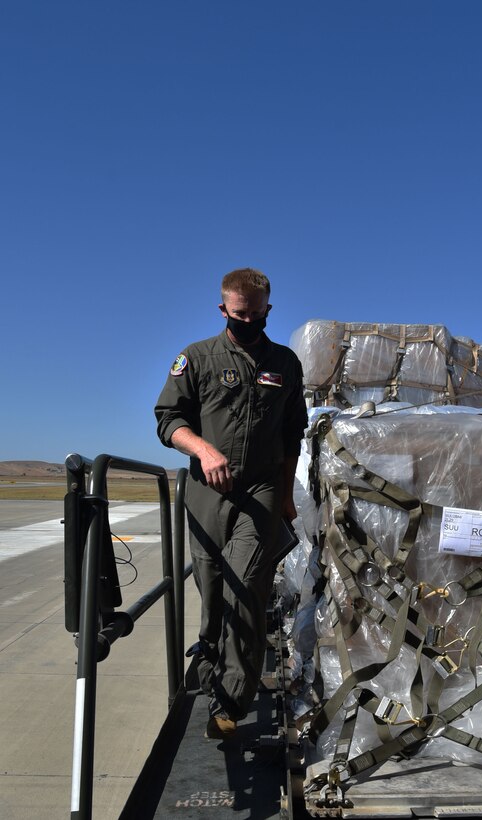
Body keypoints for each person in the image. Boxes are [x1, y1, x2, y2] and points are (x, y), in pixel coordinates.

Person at [155, 268, 308, 738]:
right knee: (213, 593)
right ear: (224, 310)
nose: (248, 320)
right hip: (206, 492)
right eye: (239, 314)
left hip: (259, 492)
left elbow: (291, 436)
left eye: (256, 313)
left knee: (247, 590)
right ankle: (210, 664)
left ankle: (229, 701)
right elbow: (168, 421)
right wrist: (203, 449)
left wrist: (285, 496)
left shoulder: (284, 363)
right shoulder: (196, 358)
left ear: (267, 310)